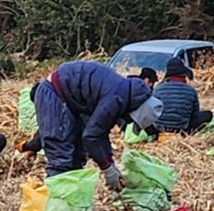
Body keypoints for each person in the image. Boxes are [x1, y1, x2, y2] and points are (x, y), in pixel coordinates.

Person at [32, 60, 163, 188]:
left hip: (73, 102)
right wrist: (107, 168)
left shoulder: (125, 94)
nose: (128, 121)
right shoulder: (115, 98)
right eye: (132, 120)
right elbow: (90, 137)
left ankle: (73, 200)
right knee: (60, 156)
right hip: (54, 93)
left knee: (77, 154)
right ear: (136, 112)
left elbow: (101, 131)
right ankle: (56, 203)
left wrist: (110, 163)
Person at [153, 57, 212, 133]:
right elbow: (195, 113)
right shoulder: (191, 90)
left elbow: (152, 110)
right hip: (182, 128)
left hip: (159, 128)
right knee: (208, 114)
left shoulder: (158, 89)